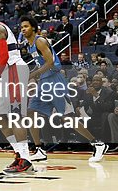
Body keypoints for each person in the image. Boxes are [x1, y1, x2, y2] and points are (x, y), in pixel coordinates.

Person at [19, 15, 107, 163]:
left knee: (67, 118)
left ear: (33, 28)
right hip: (44, 83)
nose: (23, 29)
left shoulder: (39, 41)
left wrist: (33, 74)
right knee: (31, 112)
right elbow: (41, 64)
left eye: (26, 26)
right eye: (21, 27)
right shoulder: (29, 45)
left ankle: (98, 143)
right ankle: (39, 149)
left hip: (55, 81)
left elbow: (51, 62)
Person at [0, 4, 34, 174]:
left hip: (13, 70)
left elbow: (4, 56)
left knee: (16, 115)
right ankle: (19, 153)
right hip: (8, 73)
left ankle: (26, 159)